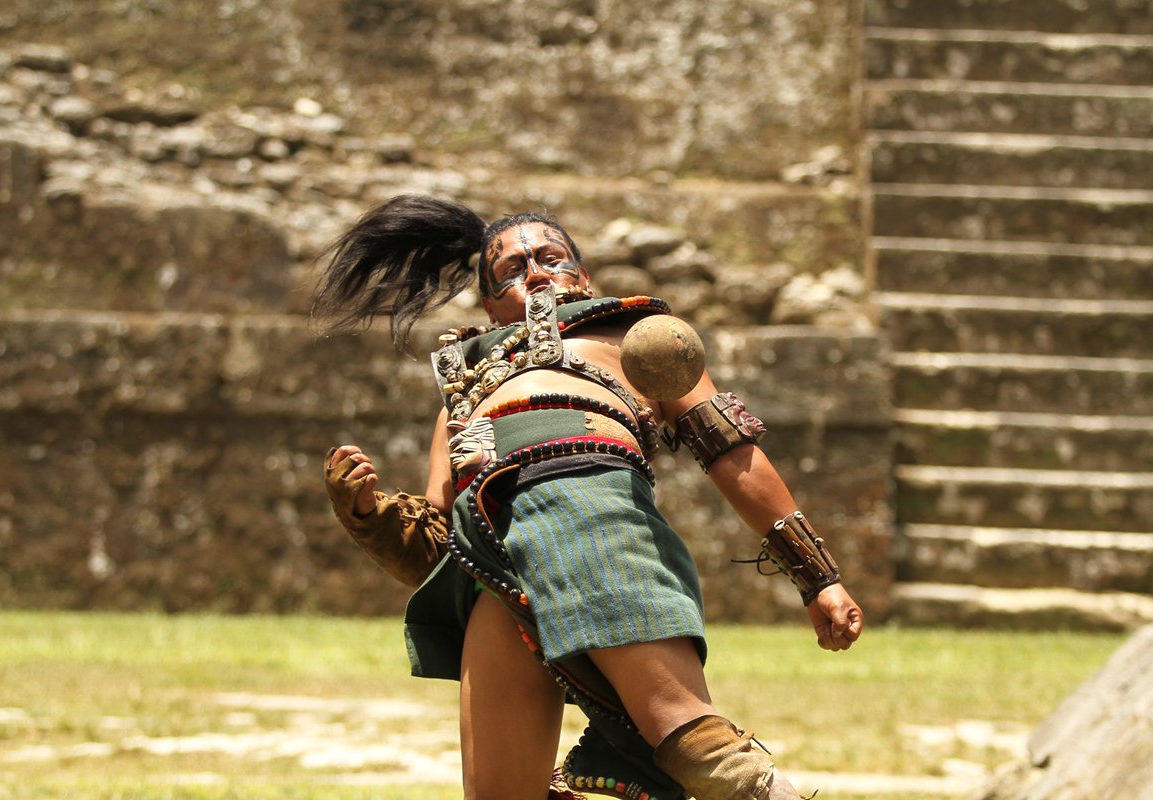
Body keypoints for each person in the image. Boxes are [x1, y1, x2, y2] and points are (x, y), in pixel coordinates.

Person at [313, 194, 864, 800]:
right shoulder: (462, 389)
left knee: (699, 750)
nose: (538, 272)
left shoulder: (632, 333)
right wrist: (366, 514)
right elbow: (438, 542)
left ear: (584, 276)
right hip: (493, 569)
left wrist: (819, 577)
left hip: (594, 523)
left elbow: (730, 449)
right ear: (492, 304)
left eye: (552, 258)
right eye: (513, 271)